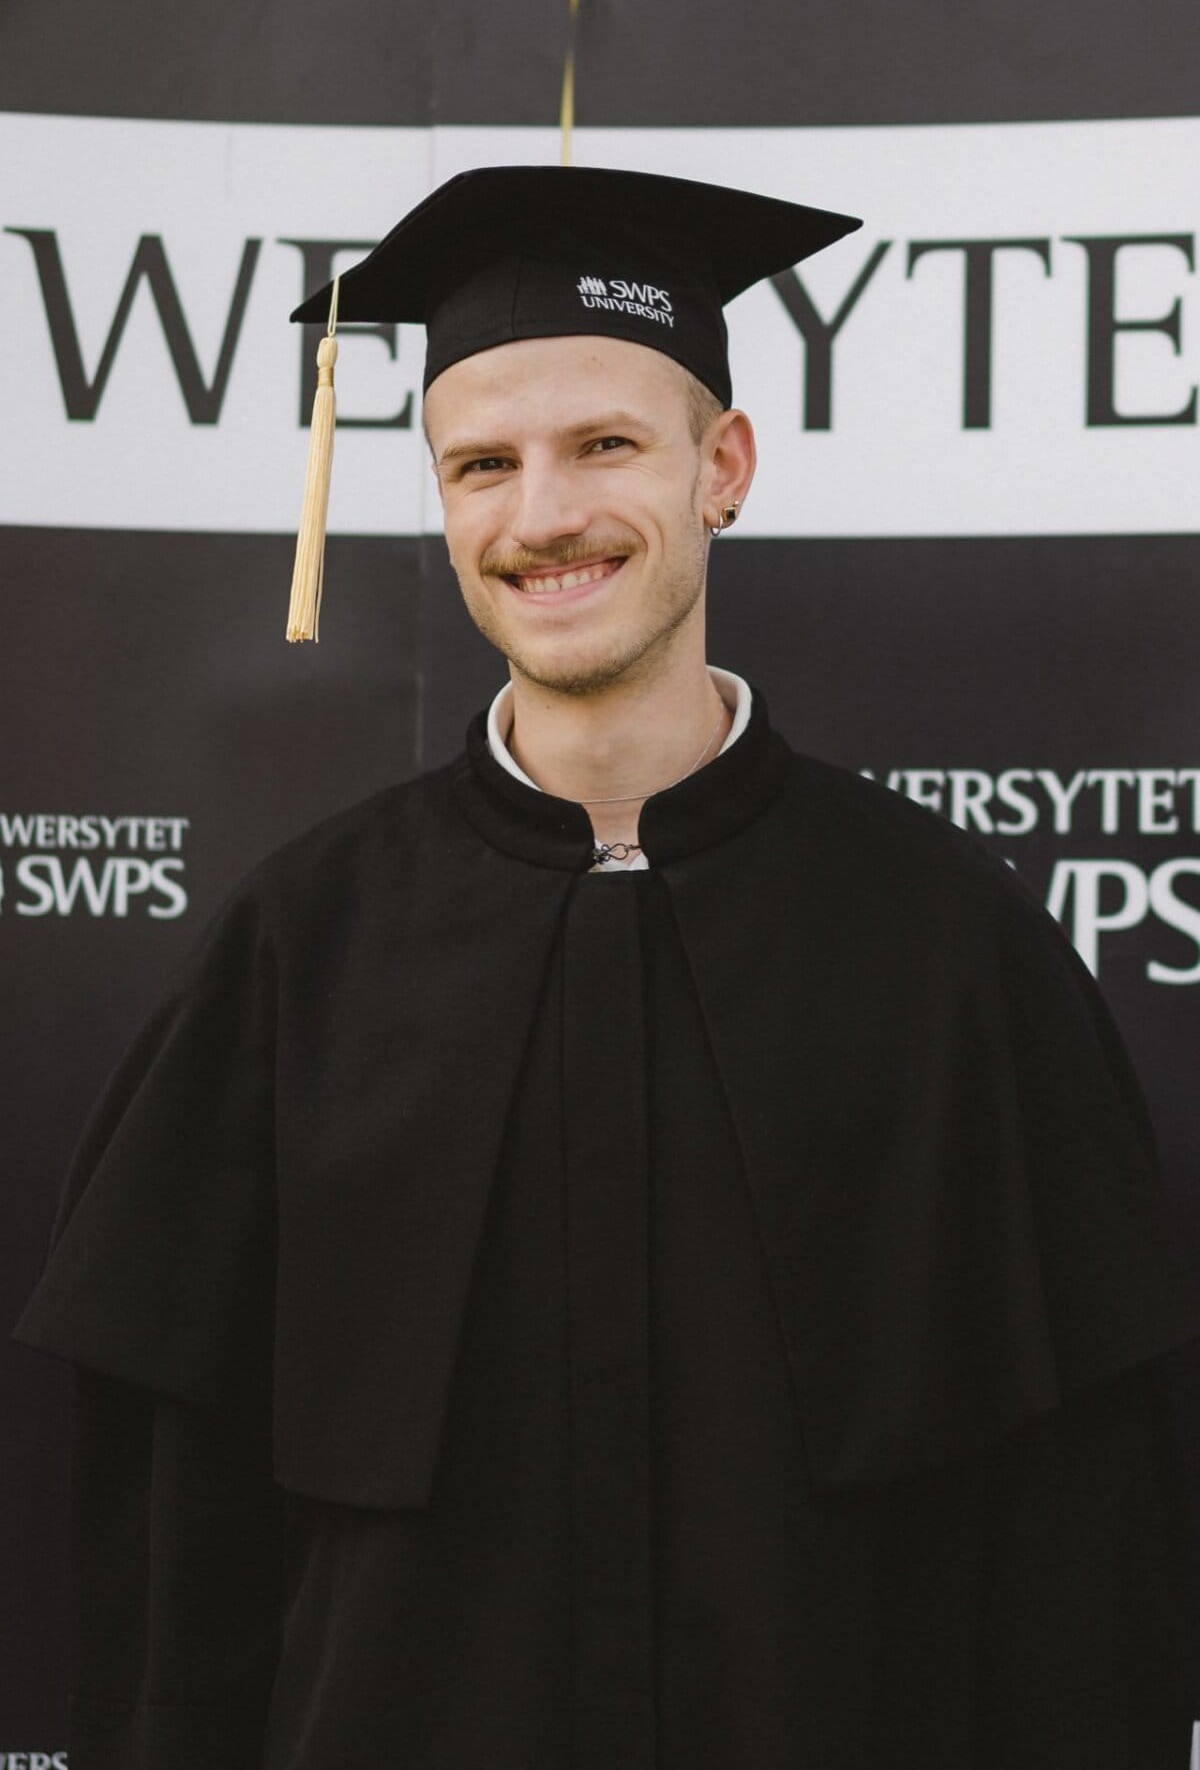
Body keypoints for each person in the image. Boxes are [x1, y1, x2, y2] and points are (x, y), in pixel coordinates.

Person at [12, 164, 1200, 1770]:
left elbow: (1077, 1561)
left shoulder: (948, 950)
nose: (543, 515)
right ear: (439, 504)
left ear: (726, 467)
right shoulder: (299, 952)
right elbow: (179, 1558)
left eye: (606, 447)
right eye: (482, 464)